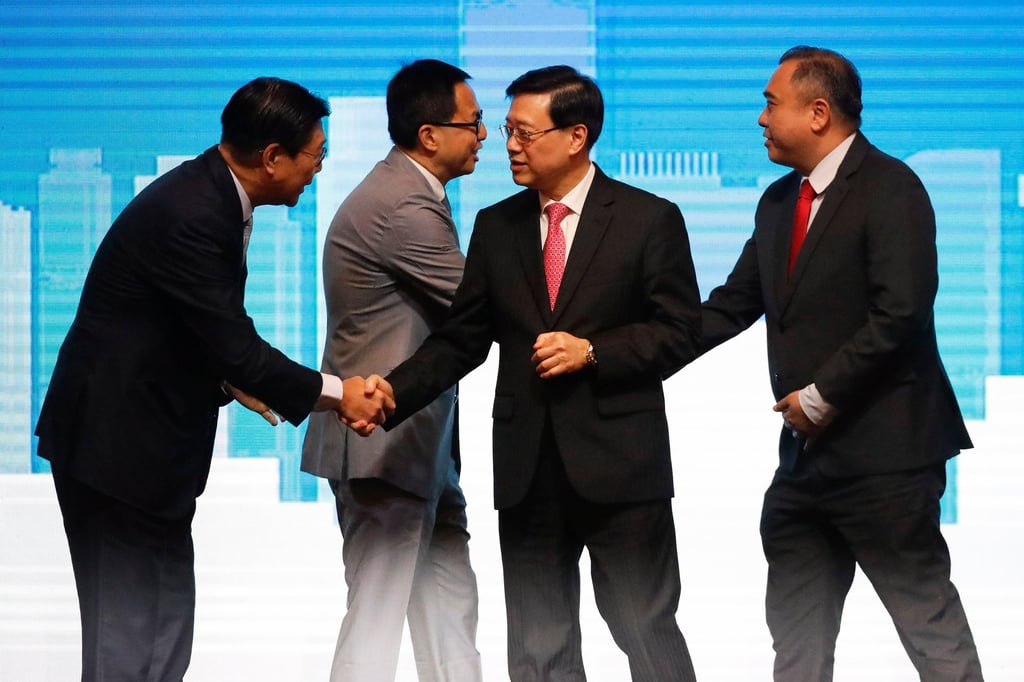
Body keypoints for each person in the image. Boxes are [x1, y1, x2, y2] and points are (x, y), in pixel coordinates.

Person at [34, 77, 393, 682]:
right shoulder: (195, 214)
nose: (318, 170)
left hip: (147, 459)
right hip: (114, 455)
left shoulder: (212, 197)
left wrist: (228, 379)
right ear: (272, 156)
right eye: (315, 156)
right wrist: (339, 392)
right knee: (127, 646)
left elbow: (185, 330)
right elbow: (234, 343)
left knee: (163, 637)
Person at [375, 65, 701, 682]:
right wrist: (393, 392)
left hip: (621, 470)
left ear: (576, 136)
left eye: (525, 133)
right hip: (528, 470)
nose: (509, 146)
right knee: (537, 650)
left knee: (645, 631)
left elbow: (679, 332)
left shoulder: (648, 219)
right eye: (505, 131)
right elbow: (462, 340)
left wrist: (594, 352)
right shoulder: (497, 226)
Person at [698, 46, 984, 680]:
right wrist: (611, 347)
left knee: (929, 630)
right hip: (804, 469)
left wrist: (820, 397)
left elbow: (900, 314)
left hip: (886, 461)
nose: (760, 118)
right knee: (796, 646)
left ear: (819, 112)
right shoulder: (777, 203)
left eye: (771, 104)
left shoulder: (891, 188)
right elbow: (728, 308)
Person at [300, 59, 485, 682]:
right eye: (475, 123)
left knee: (449, 613)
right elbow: (481, 308)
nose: (484, 136)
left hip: (417, 449)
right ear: (430, 135)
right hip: (382, 445)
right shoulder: (403, 205)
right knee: (378, 621)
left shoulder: (405, 192)